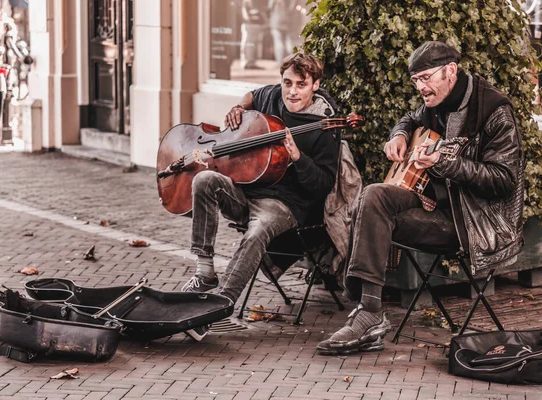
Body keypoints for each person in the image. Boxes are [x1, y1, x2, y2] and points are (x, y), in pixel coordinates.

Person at [317, 41, 525, 355]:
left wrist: (446, 163)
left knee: (372, 214)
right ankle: (371, 310)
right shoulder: (436, 100)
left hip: (472, 222)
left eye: (426, 78)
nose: (421, 88)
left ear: (451, 70)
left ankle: (367, 311)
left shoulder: (495, 111)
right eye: (416, 81)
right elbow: (410, 119)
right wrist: (398, 135)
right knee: (372, 196)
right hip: (433, 201)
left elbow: (504, 181)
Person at [181, 53, 340, 340]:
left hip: (286, 205)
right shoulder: (272, 98)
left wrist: (298, 158)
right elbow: (252, 95)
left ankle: (218, 307)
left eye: (301, 84)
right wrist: (238, 107)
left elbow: (323, 186)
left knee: (257, 232)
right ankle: (205, 270)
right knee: (205, 178)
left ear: (315, 85)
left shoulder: (324, 125)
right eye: (287, 82)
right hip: (247, 190)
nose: (292, 91)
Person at [240, 0, 270, 70]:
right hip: (250, 24)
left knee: (251, 44)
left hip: (253, 24)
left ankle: (250, 62)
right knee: (249, 43)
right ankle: (248, 62)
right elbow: (246, 12)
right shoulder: (247, 2)